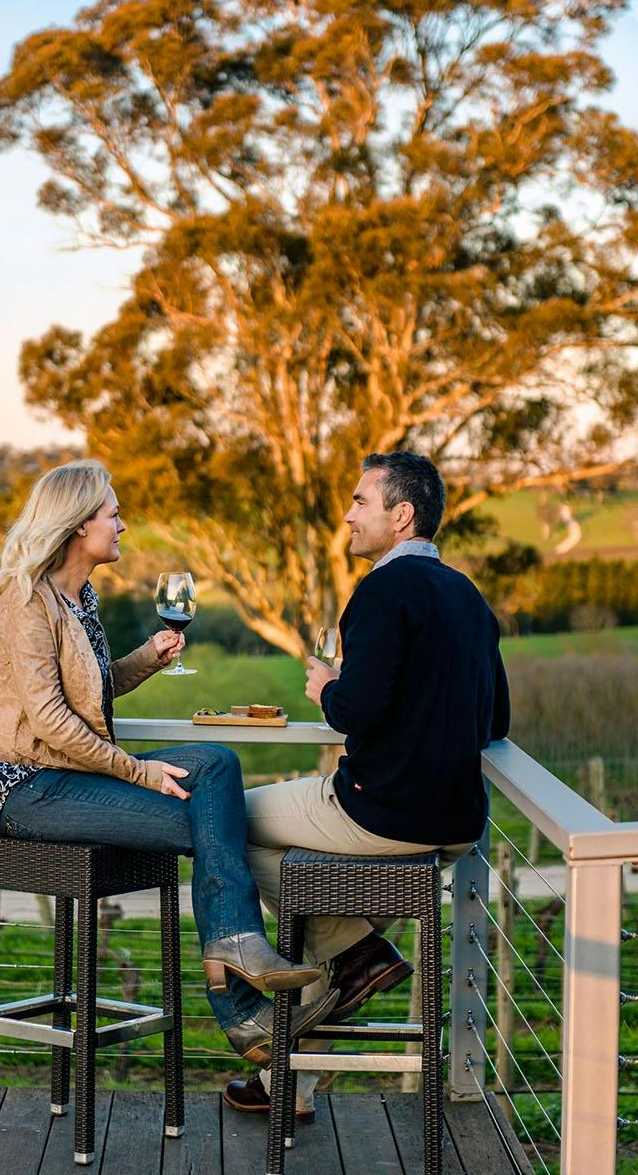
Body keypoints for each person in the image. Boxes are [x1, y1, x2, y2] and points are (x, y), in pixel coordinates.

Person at [0, 459, 335, 1069]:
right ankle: (242, 1004)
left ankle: (235, 947)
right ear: (76, 523)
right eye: (113, 514)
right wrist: (140, 772)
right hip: (27, 789)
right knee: (213, 823)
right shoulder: (24, 598)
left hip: (76, 775)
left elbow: (88, 693)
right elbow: (47, 721)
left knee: (217, 764)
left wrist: (150, 656)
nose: (123, 525)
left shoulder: (79, 596)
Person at [223, 450, 510, 1119]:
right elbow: (496, 717)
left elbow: (357, 712)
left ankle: (350, 953)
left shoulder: (383, 590)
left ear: (401, 515)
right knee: (334, 924)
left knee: (221, 818)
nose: (348, 515)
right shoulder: (466, 595)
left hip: (378, 814)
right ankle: (289, 1084)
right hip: (455, 826)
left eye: (360, 501)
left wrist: (329, 687)